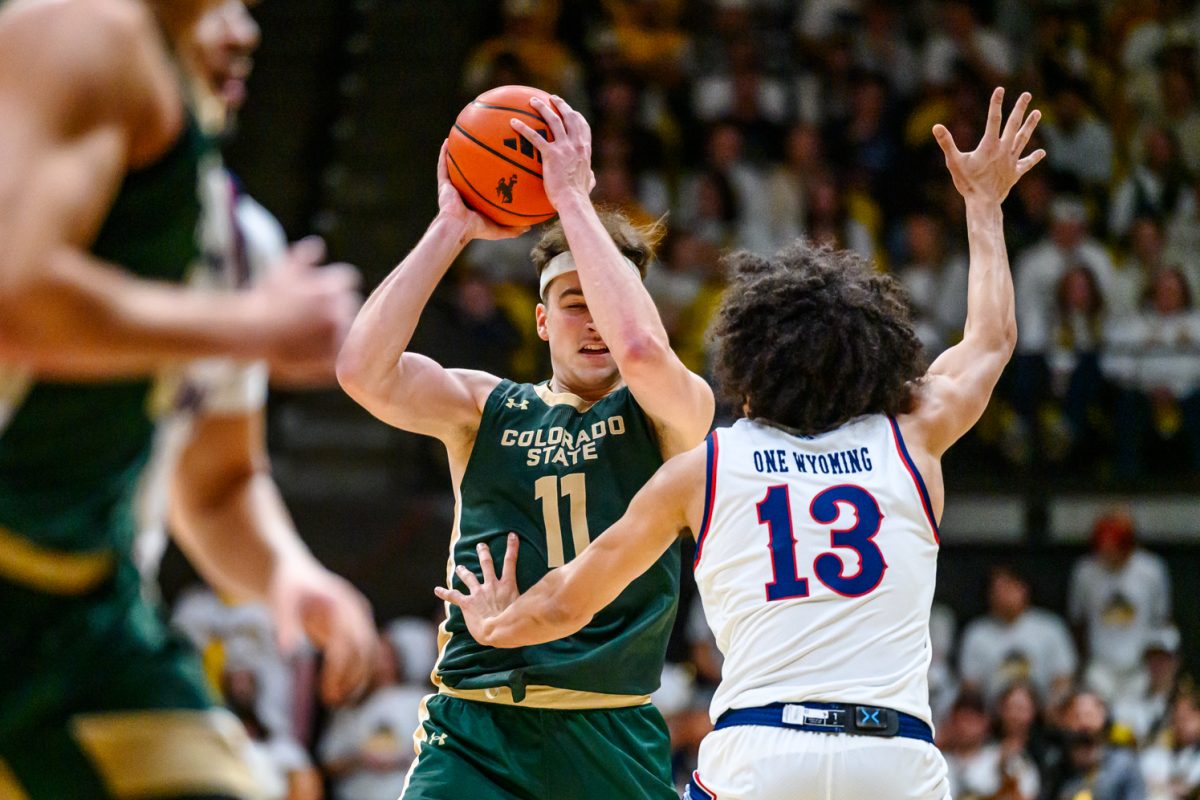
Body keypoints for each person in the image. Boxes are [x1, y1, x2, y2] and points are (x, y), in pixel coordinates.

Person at [438, 87, 1046, 800]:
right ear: (870, 360)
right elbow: (992, 339)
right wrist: (983, 204)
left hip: (763, 751)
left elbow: (569, 601)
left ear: (746, 370)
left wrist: (495, 623)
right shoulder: (912, 438)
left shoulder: (705, 469)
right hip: (894, 754)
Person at [0, 0, 375, 796]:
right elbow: (16, 298)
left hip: (83, 603)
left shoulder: (241, 241)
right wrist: (247, 327)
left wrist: (285, 574)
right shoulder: (76, 39)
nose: (243, 31)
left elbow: (216, 481)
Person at [336, 93, 714, 799]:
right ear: (542, 320)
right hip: (476, 726)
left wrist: (572, 199)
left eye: (609, 300)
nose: (596, 321)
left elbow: (640, 347)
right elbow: (361, 371)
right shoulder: (486, 409)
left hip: (609, 727)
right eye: (576, 302)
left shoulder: (673, 411)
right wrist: (451, 228)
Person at [959, 566, 1078, 707]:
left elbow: (1063, 679)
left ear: (1024, 589)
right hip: (993, 717)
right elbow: (970, 686)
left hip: (1042, 714)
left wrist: (1052, 715)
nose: (1003, 595)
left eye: (1008, 588)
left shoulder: (1050, 627)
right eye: (997, 590)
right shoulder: (976, 632)